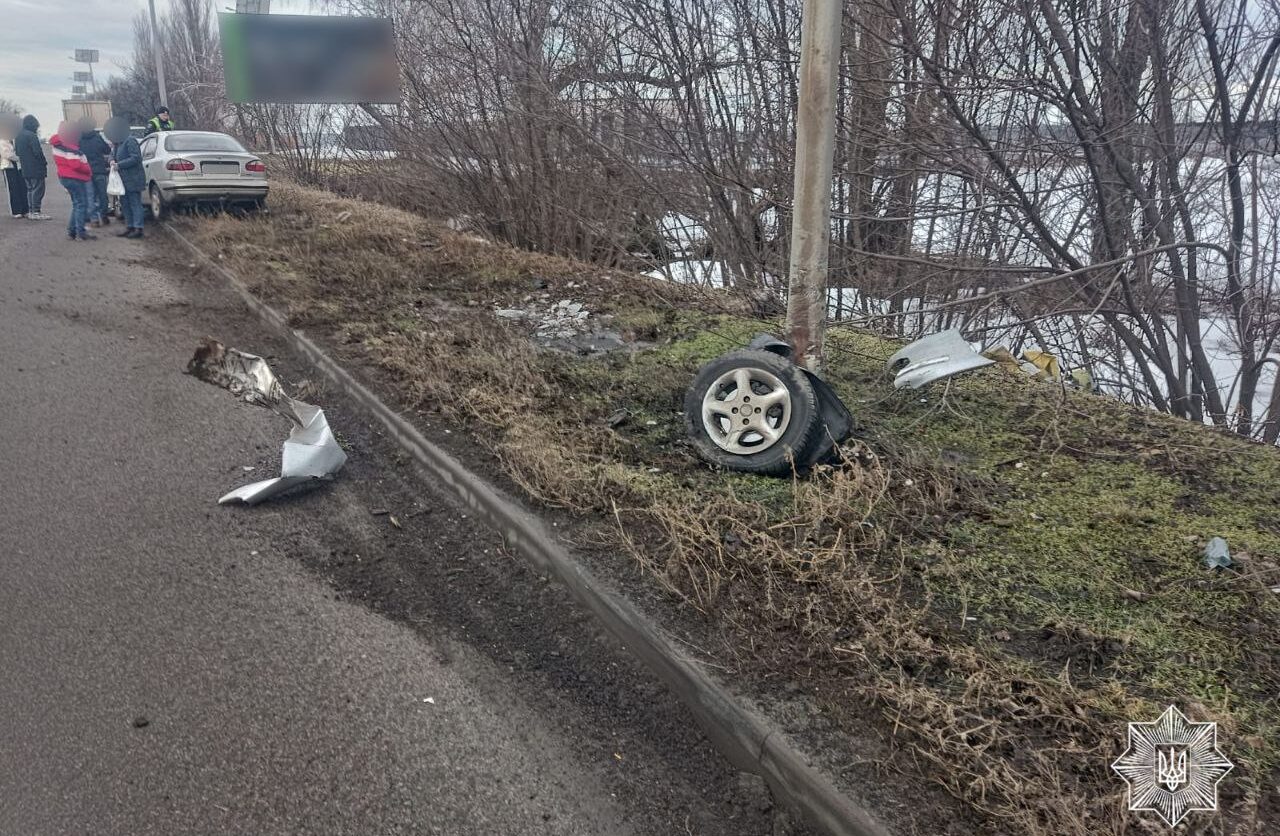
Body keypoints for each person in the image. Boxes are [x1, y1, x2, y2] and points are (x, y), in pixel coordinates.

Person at [50, 121, 95, 241]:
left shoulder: (57, 144)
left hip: (64, 177)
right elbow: (75, 164)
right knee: (81, 205)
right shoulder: (70, 146)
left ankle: (72, 231)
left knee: (76, 204)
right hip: (75, 177)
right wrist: (87, 169)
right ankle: (80, 232)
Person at [106, 117, 145, 239]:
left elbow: (136, 158)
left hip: (133, 178)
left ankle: (138, 228)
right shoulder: (117, 143)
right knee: (125, 204)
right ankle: (130, 226)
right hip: (122, 181)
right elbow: (111, 155)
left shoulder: (130, 141)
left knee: (135, 203)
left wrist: (119, 165)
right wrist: (112, 160)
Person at [14, 114, 49, 220]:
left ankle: (31, 210)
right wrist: (44, 162)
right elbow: (37, 152)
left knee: (29, 189)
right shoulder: (32, 136)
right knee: (38, 189)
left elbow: (17, 152)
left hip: (25, 167)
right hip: (35, 167)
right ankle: (36, 211)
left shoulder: (18, 136)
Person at [79, 119, 112, 227]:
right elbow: (107, 150)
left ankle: (94, 219)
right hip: (99, 171)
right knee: (102, 195)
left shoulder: (79, 140)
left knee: (90, 196)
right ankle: (104, 215)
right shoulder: (98, 138)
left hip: (86, 172)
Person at [0, 114, 29, 218]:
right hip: (8, 166)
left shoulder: (16, 138)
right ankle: (16, 210)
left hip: (18, 166)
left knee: (22, 187)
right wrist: (19, 157)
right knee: (12, 189)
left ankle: (25, 209)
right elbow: (6, 154)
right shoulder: (2, 140)